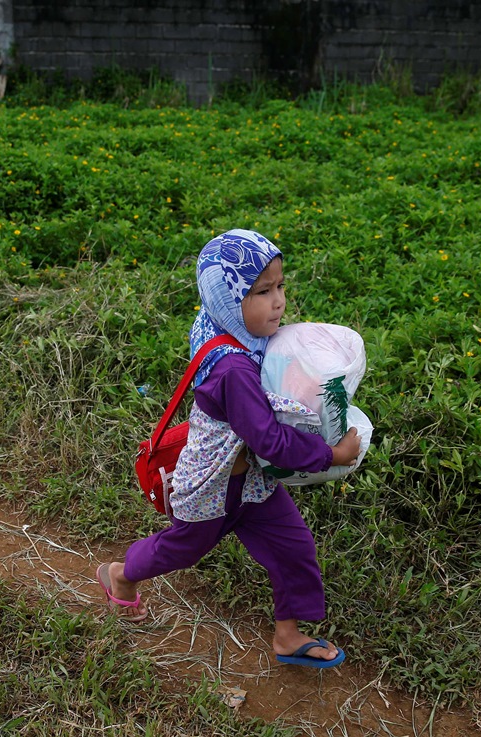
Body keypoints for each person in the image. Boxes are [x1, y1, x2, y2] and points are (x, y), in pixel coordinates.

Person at [95, 229, 361, 668]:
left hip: (252, 481)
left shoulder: (227, 328)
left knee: (293, 546)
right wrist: (332, 455)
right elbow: (269, 440)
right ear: (227, 299)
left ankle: (288, 636)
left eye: (280, 286)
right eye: (262, 292)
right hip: (211, 483)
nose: (279, 302)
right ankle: (120, 575)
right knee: (183, 549)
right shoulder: (234, 369)